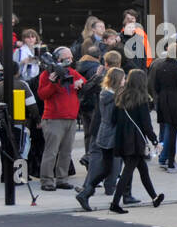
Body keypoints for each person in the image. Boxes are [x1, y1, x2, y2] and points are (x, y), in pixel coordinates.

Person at [110, 69, 165, 213]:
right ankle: (115, 203)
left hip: (122, 138)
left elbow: (113, 120)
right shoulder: (141, 99)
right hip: (135, 140)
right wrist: (155, 141)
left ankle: (154, 197)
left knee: (142, 169)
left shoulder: (120, 96)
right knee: (128, 172)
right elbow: (146, 125)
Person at [75, 67, 126, 211]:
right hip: (110, 136)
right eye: (123, 78)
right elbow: (113, 118)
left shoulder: (108, 94)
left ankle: (87, 192)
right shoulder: (111, 97)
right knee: (119, 166)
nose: (125, 81)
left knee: (107, 168)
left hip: (106, 134)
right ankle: (121, 196)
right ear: (117, 80)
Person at [36, 47, 85, 191]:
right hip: (54, 118)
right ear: (58, 59)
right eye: (67, 57)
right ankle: (47, 181)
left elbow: (84, 81)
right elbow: (42, 95)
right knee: (51, 151)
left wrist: (80, 82)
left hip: (70, 117)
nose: (70, 60)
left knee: (66, 151)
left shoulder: (71, 72)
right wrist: (52, 83)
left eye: (70, 57)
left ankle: (62, 179)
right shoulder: (47, 74)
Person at [151, 44, 177, 172]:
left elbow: (155, 86)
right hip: (175, 102)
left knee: (167, 129)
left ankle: (164, 158)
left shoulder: (160, 66)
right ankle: (169, 161)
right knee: (172, 132)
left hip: (162, 100)